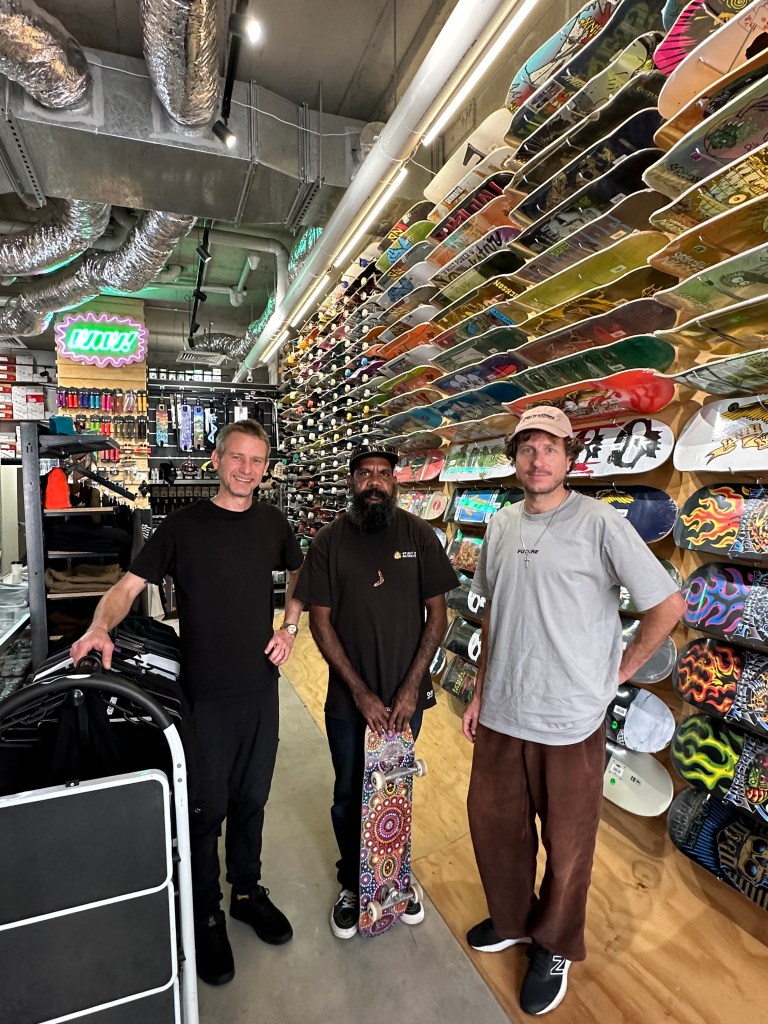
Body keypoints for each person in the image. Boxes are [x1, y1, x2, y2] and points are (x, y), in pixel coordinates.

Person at [461, 406, 684, 1017]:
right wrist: (479, 691)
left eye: (550, 448)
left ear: (569, 457)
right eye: (527, 448)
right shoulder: (501, 524)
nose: (538, 460)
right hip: (503, 710)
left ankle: (554, 944)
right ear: (515, 458)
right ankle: (512, 919)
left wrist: (618, 673)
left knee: (567, 843)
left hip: (570, 720)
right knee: (495, 827)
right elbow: (493, 612)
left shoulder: (600, 522)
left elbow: (667, 605)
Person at [70, 419, 304, 988]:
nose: (246, 469)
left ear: (266, 468)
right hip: (205, 695)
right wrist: (100, 627)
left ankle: (245, 891)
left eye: (257, 460)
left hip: (260, 688)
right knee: (205, 807)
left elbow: (300, 571)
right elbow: (127, 588)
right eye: (237, 457)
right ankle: (206, 912)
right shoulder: (183, 527)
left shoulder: (273, 523)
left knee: (252, 797)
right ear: (216, 460)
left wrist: (290, 625)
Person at [294, 442, 458, 938]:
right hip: (349, 701)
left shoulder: (420, 534)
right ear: (351, 481)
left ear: (394, 481)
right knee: (349, 792)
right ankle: (353, 883)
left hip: (408, 698)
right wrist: (361, 693)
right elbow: (320, 623)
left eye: (383, 473)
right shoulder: (329, 541)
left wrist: (411, 689)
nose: (373, 482)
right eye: (364, 473)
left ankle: (394, 878)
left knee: (396, 788)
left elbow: (437, 618)